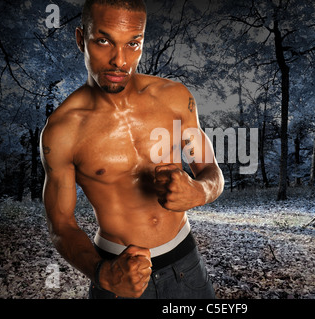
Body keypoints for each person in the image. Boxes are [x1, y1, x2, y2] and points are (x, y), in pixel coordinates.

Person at [40, 0, 224, 299]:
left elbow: (210, 171)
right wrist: (103, 274)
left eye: (133, 44)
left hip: (186, 264)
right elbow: (61, 225)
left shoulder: (175, 98)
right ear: (80, 40)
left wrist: (200, 191)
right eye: (103, 41)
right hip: (116, 274)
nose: (120, 60)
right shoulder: (63, 129)